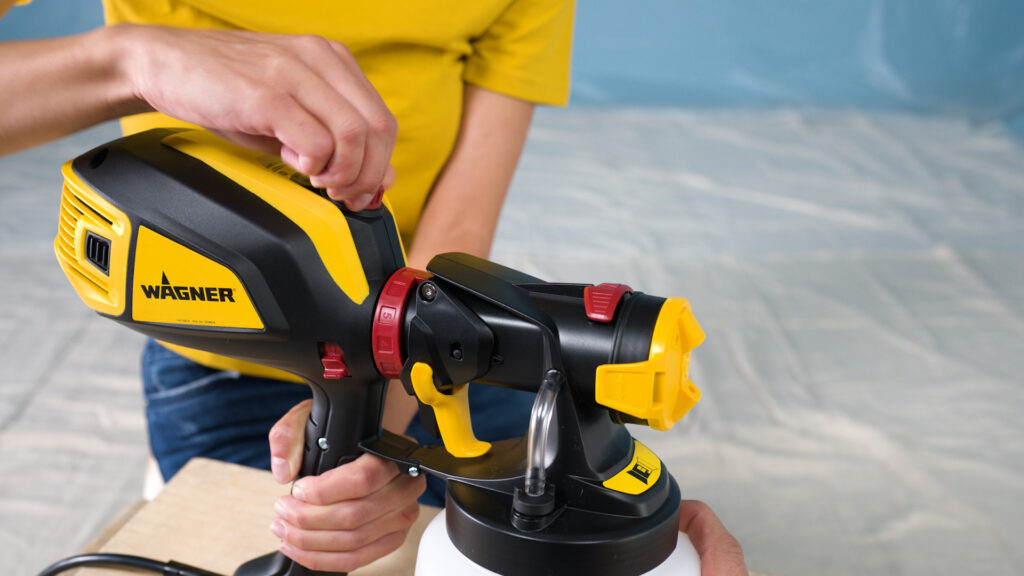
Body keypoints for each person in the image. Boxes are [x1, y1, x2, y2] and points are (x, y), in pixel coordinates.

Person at [0, 1, 749, 574]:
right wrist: (127, 62)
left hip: (430, 338)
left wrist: (380, 415)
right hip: (224, 355)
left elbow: (461, 220)